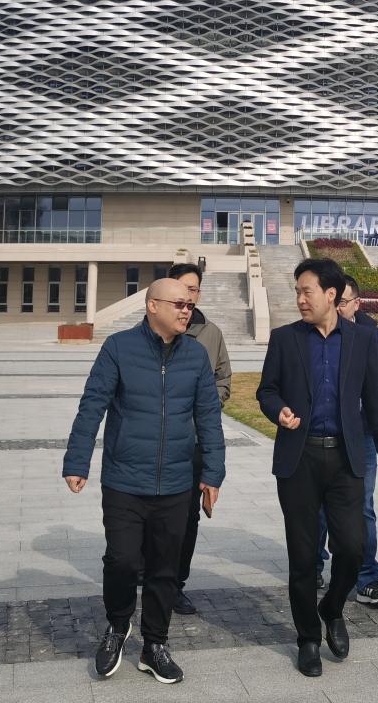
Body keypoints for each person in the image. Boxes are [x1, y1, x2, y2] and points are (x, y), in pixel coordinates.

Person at [62, 278, 226, 685]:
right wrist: (77, 460)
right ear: (153, 306)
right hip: (124, 479)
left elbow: (209, 417)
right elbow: (92, 405)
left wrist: (213, 474)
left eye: (190, 305)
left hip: (176, 482)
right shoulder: (118, 348)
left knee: (164, 568)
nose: (187, 310)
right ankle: (118, 626)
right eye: (179, 304)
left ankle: (155, 645)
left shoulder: (196, 355)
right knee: (121, 560)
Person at [257, 258, 378, 678]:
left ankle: (332, 607)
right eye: (297, 292)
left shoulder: (363, 339)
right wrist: (278, 410)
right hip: (299, 460)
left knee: (352, 547)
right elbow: (267, 390)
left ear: (331, 295)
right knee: (302, 557)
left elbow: (375, 397)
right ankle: (308, 639)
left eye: (307, 291)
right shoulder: (285, 339)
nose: (300, 299)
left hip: (345, 459)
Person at [315, 275, 378, 606]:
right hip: (322, 434)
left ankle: (366, 577)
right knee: (319, 505)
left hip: (360, 436)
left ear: (357, 304)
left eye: (342, 303)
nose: (336, 308)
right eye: (332, 301)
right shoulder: (314, 332)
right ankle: (314, 565)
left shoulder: (370, 336)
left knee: (363, 506)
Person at [166, 262, 233, 615]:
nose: (189, 295)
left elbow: (224, 378)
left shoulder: (211, 333)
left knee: (187, 517)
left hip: (193, 442)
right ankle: (149, 572)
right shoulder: (150, 330)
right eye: (183, 288)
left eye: (194, 289)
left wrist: (206, 405)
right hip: (158, 441)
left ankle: (176, 584)